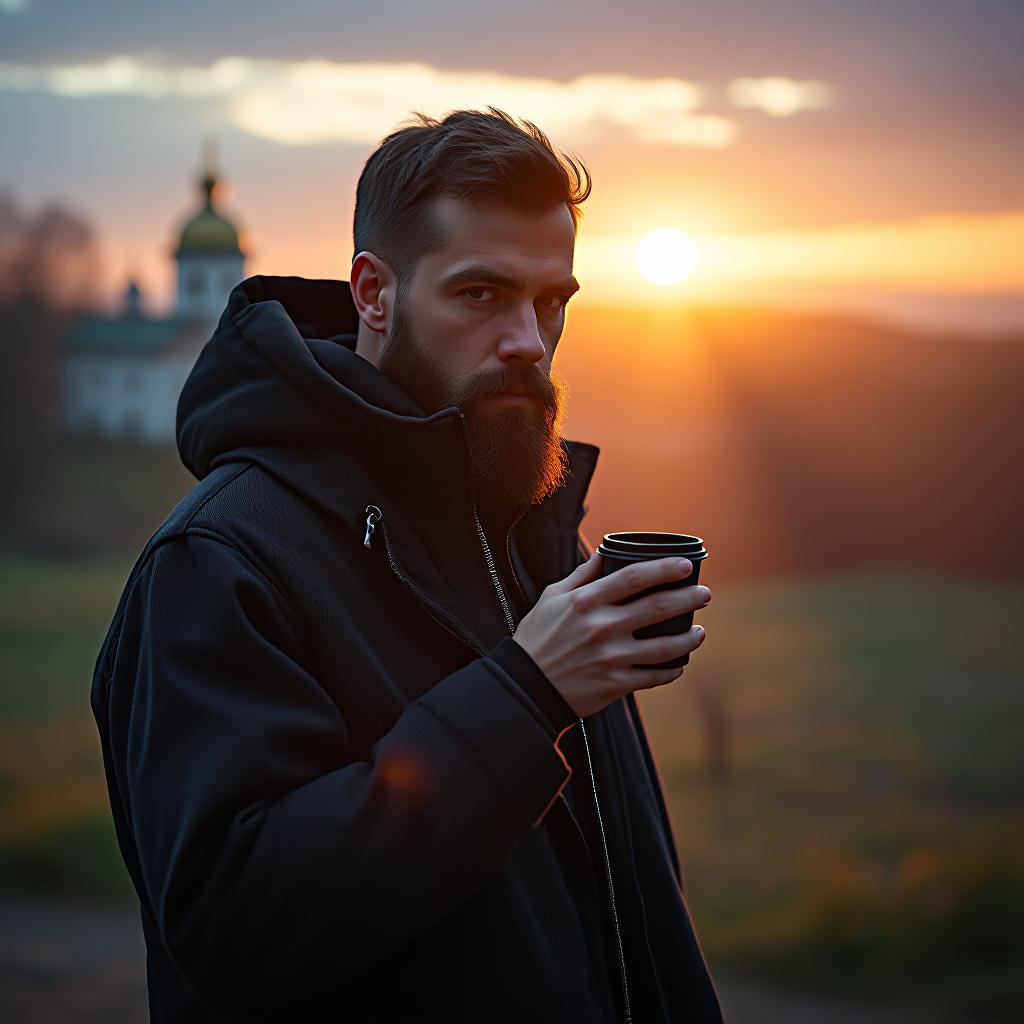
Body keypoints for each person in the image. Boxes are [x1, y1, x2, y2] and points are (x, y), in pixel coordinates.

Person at [90, 106, 723, 1023]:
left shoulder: (531, 531)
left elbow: (629, 921)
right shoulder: (223, 559)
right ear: (374, 292)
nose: (527, 343)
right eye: (480, 295)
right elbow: (234, 926)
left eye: (552, 302)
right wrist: (527, 693)